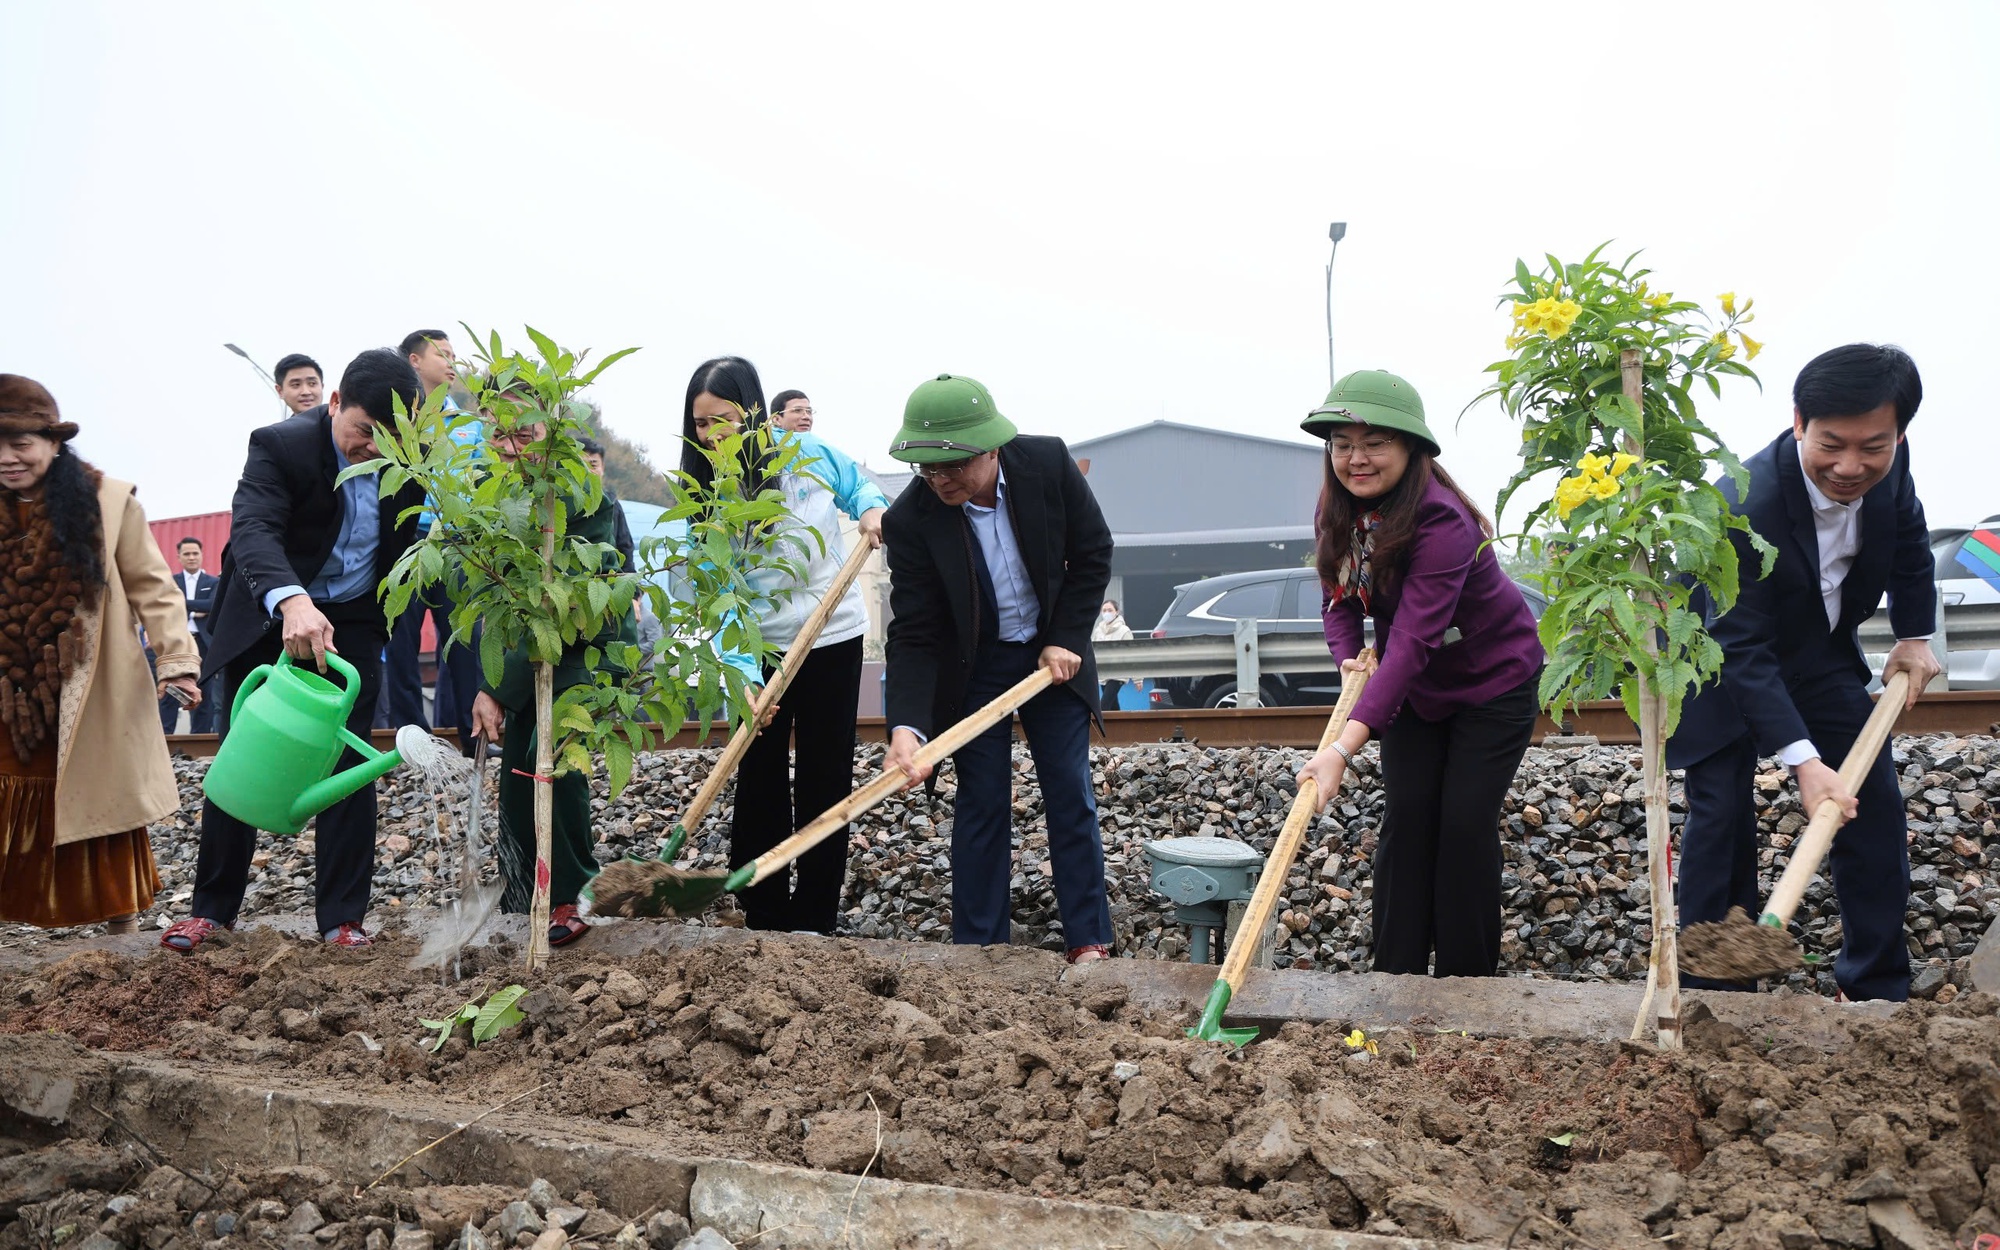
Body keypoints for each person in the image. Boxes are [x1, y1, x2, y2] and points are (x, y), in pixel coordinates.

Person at [1670, 344, 1936, 1002]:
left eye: (1873, 445)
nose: (1851, 466)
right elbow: (1741, 646)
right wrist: (1802, 762)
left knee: (1870, 804)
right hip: (1713, 652)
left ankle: (1875, 988)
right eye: (1832, 444)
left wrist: (1914, 635)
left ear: (1897, 436)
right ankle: (1712, 993)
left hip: (1817, 653)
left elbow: (1909, 547)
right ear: (1798, 424)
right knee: (1721, 814)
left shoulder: (1889, 473)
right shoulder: (1744, 499)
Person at [161, 349, 427, 953]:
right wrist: (292, 601)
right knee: (243, 755)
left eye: (390, 441)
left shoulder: (412, 460)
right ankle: (211, 912)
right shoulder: (279, 446)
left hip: (354, 621)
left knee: (349, 764)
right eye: (362, 433)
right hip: (270, 614)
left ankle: (342, 920)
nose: (373, 451)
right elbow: (254, 530)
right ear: (334, 404)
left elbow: (408, 538)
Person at [1293, 370, 1544, 978]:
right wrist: (1349, 663)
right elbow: (1339, 601)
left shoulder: (1442, 520)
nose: (1357, 458)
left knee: (1462, 823)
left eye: (1376, 443)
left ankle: (1466, 985)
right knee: (1407, 821)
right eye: (1343, 444)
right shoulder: (1338, 507)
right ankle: (1395, 979)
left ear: (1412, 449)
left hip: (1493, 681)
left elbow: (1409, 643)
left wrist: (1343, 748)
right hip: (1416, 687)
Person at [880, 374, 1116, 963]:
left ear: (990, 448)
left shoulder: (1045, 463)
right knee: (981, 801)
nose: (940, 480)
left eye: (953, 466)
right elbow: (913, 632)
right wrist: (906, 726)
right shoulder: (911, 520)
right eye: (927, 470)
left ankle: (1088, 938)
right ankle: (981, 947)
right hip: (976, 665)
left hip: (1049, 657)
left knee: (1068, 790)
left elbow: (1092, 553)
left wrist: (1064, 638)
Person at [678, 358, 887, 934]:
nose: (711, 436)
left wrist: (870, 511)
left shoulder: (807, 454)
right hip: (759, 648)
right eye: (700, 425)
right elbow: (718, 592)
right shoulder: (704, 490)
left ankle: (816, 914)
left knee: (825, 774)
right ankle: (763, 910)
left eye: (721, 421)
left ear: (750, 411)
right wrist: (742, 674)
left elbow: (860, 486)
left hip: (831, 634)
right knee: (759, 777)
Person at [0, 375, 203, 934]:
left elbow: (154, 587)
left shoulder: (108, 502)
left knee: (101, 806)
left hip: (86, 686)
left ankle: (122, 936)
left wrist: (177, 659)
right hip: (6, 689)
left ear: (53, 442)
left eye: (20, 443)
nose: (8, 458)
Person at [467, 398, 636, 949]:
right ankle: (523, 897)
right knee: (519, 769)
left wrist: (496, 688)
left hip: (585, 651)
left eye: (525, 433)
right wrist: (492, 685)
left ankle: (572, 892)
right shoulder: (496, 500)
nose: (512, 448)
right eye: (499, 435)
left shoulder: (587, 497)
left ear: (552, 431)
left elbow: (573, 611)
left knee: (555, 756)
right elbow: (493, 603)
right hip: (527, 657)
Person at [383, 330, 482, 749]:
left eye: (456, 355)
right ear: (414, 361)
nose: (452, 361)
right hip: (405, 547)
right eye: (442, 354)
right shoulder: (394, 419)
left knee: (464, 646)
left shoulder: (469, 425)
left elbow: (481, 481)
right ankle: (411, 741)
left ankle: (475, 734)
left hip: (455, 548)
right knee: (401, 648)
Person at [160, 537, 220, 734]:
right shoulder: (170, 582)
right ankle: (166, 739)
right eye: (187, 554)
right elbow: (164, 605)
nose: (192, 557)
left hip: (203, 643)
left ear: (201, 555)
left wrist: (182, 603)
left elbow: (213, 605)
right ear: (179, 557)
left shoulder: (213, 582)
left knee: (204, 693)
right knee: (169, 693)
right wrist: (197, 609)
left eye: (195, 553)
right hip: (177, 643)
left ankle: (199, 739)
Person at [1091, 599, 1133, 711]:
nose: (1106, 613)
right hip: (1103, 673)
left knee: (1104, 705)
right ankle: (1118, 727)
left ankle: (1100, 728)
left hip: (1118, 673)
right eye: (1104, 610)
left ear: (1117, 612)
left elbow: (1132, 654)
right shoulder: (1098, 631)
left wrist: (1138, 679)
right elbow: (1092, 651)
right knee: (1113, 706)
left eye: (1110, 610)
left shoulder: (1124, 631)